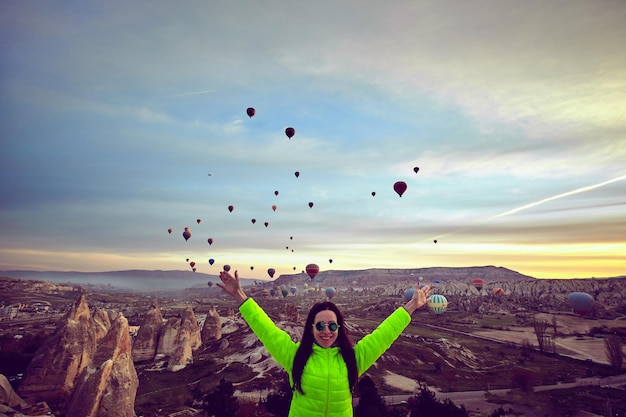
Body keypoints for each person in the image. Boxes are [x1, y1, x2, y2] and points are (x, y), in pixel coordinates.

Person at [217, 269, 431, 417]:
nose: (326, 331)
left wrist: (411, 306)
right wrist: (239, 295)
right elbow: (266, 329)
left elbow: (384, 334)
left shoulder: (353, 359)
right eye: (320, 326)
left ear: (339, 328)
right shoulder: (295, 357)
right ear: (311, 328)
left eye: (332, 326)